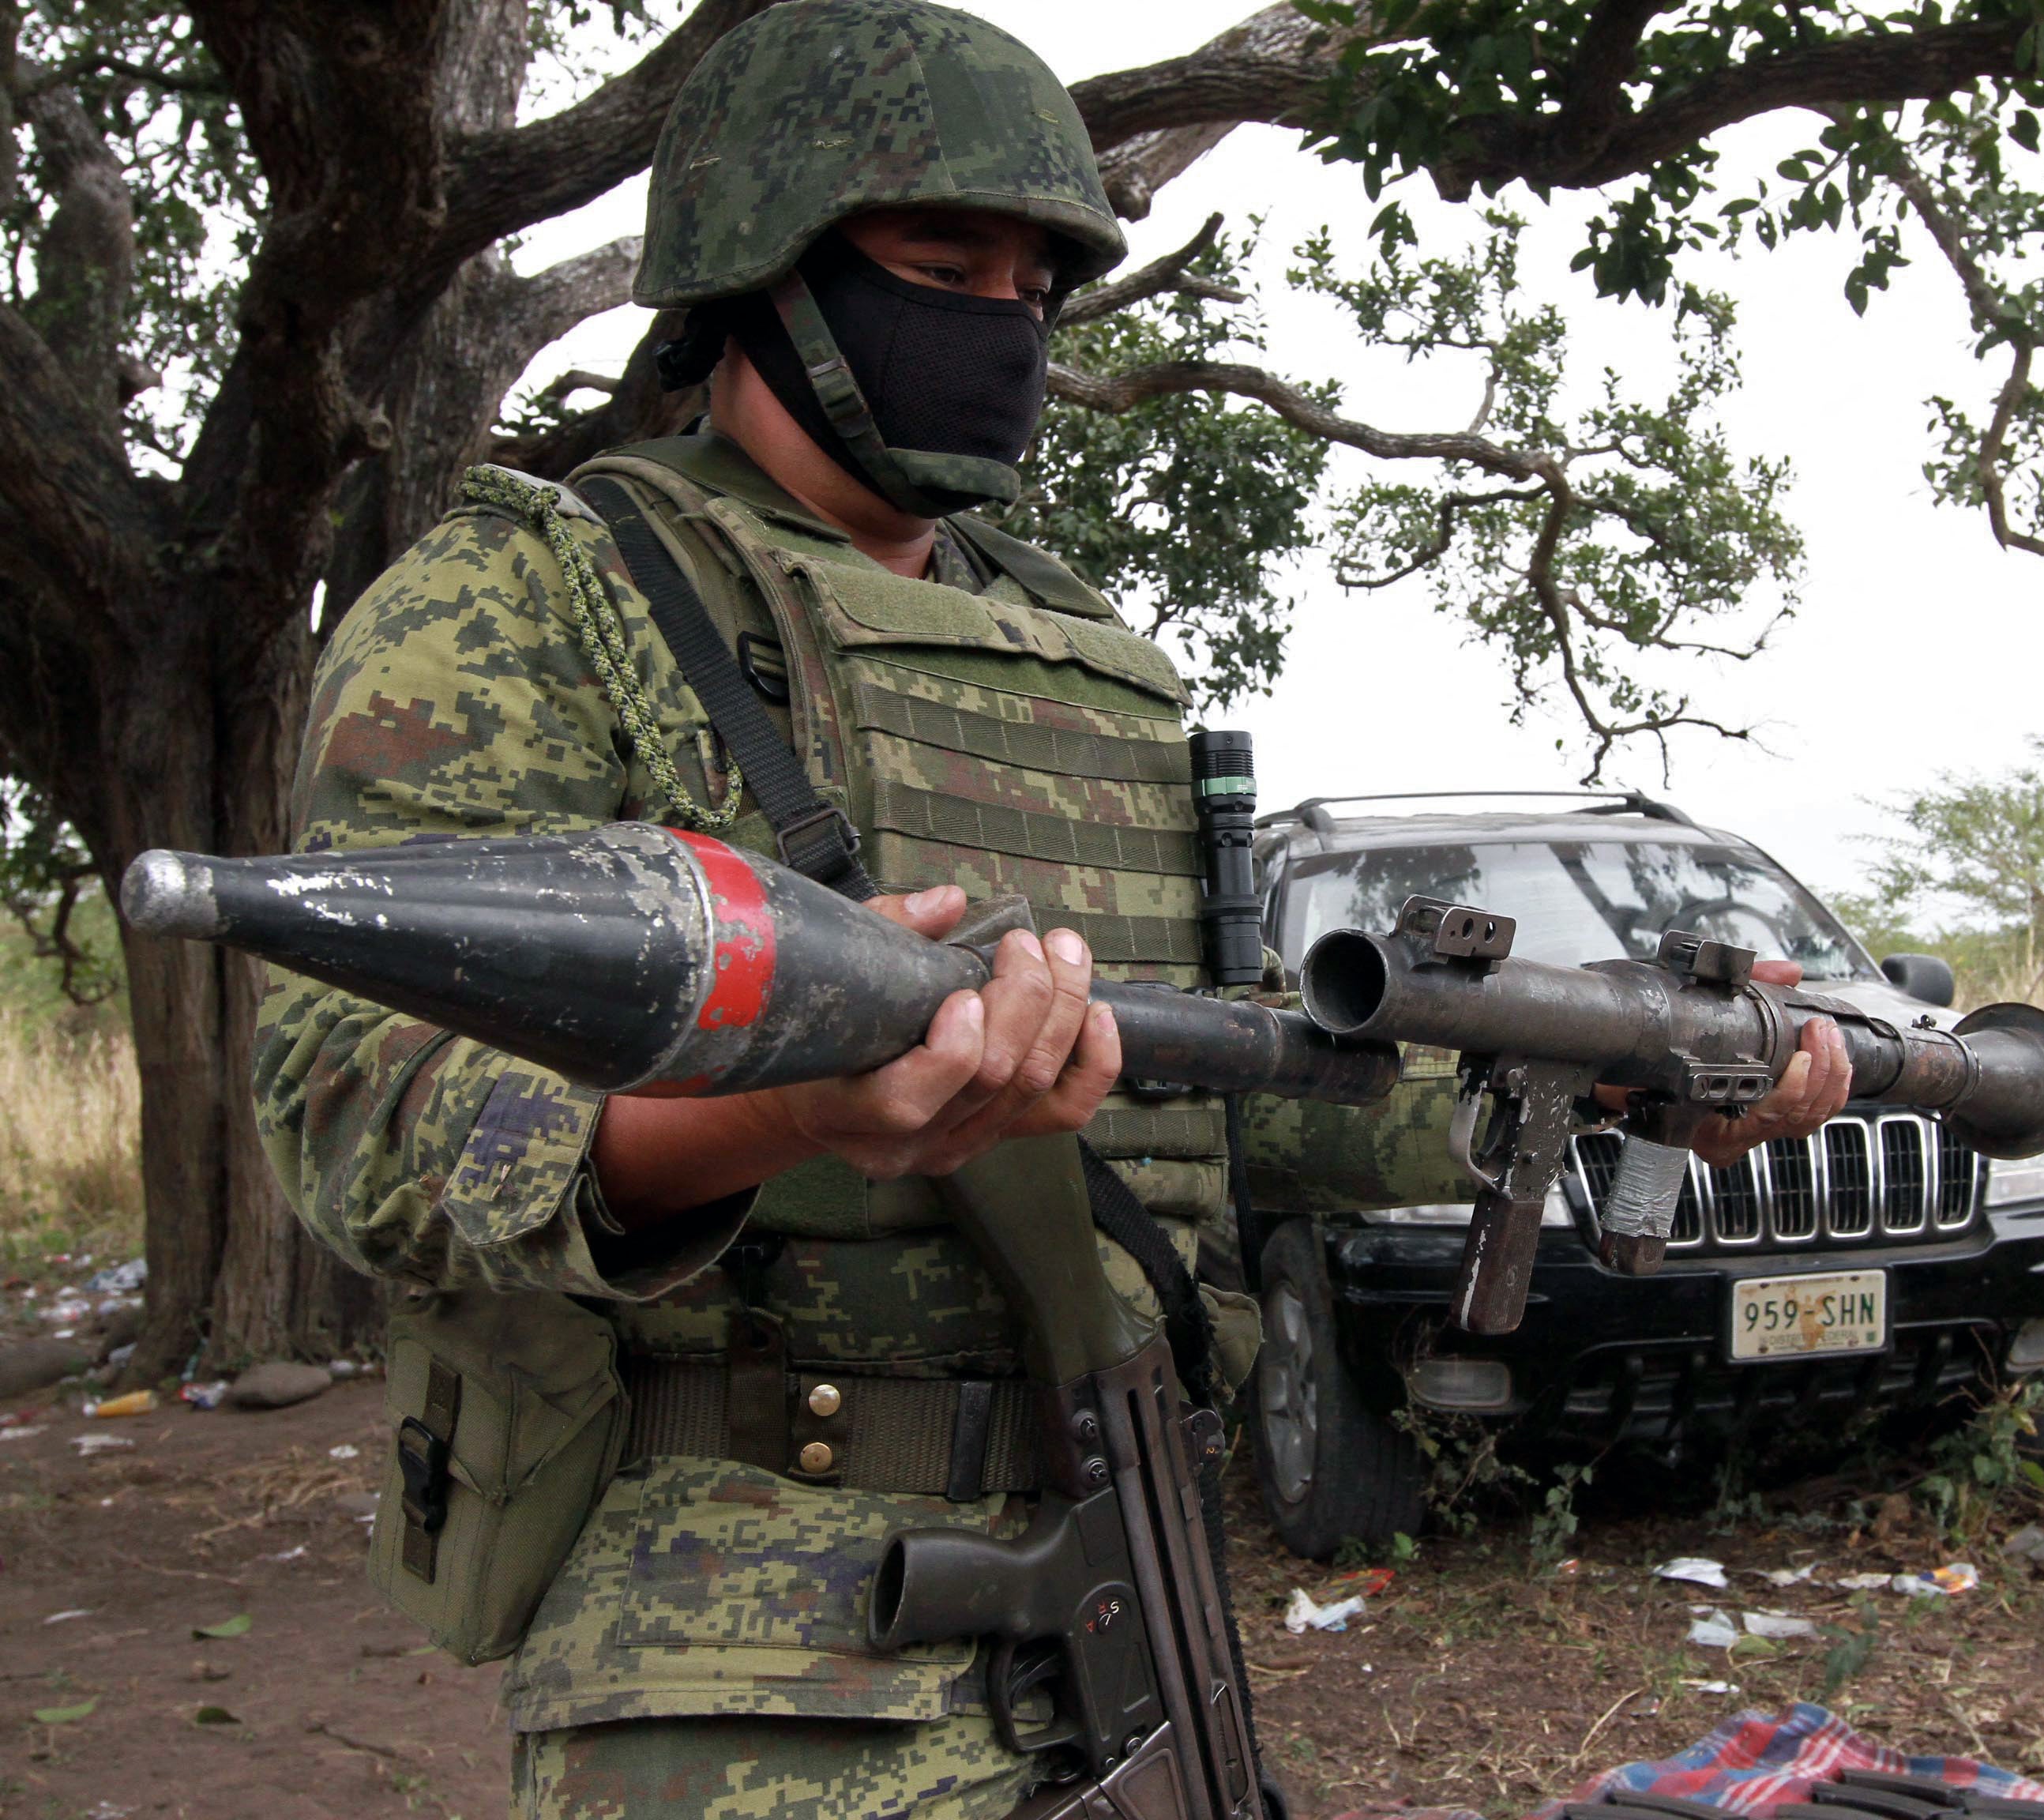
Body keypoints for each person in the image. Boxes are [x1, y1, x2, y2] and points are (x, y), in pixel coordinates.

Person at [248, 6, 1852, 1817]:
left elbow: (1218, 1089)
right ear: (756, 276)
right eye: (945, 269)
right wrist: (783, 1117)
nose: (1001, 326)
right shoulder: (533, 597)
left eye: (1036, 288)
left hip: (1120, 1579)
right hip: (749, 1648)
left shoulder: (1075, 644)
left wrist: (1585, 1083)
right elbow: (344, 1102)